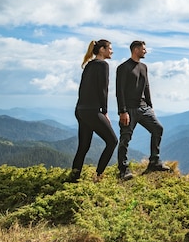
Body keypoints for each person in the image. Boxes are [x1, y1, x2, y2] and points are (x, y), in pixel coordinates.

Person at [117, 40, 170, 180]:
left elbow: (146, 87)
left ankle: (154, 161)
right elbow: (119, 91)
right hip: (129, 109)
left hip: (144, 107)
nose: (145, 51)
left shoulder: (144, 67)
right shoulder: (123, 67)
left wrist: (150, 107)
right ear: (135, 50)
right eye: (143, 49)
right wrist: (122, 111)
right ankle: (123, 169)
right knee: (125, 138)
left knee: (158, 129)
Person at [68, 39, 118, 183]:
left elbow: (81, 89)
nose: (112, 51)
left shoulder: (89, 65)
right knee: (112, 141)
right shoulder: (103, 65)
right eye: (110, 48)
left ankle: (74, 177)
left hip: (81, 110)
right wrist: (105, 111)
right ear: (102, 49)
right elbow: (103, 89)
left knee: (83, 146)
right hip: (92, 110)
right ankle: (98, 176)